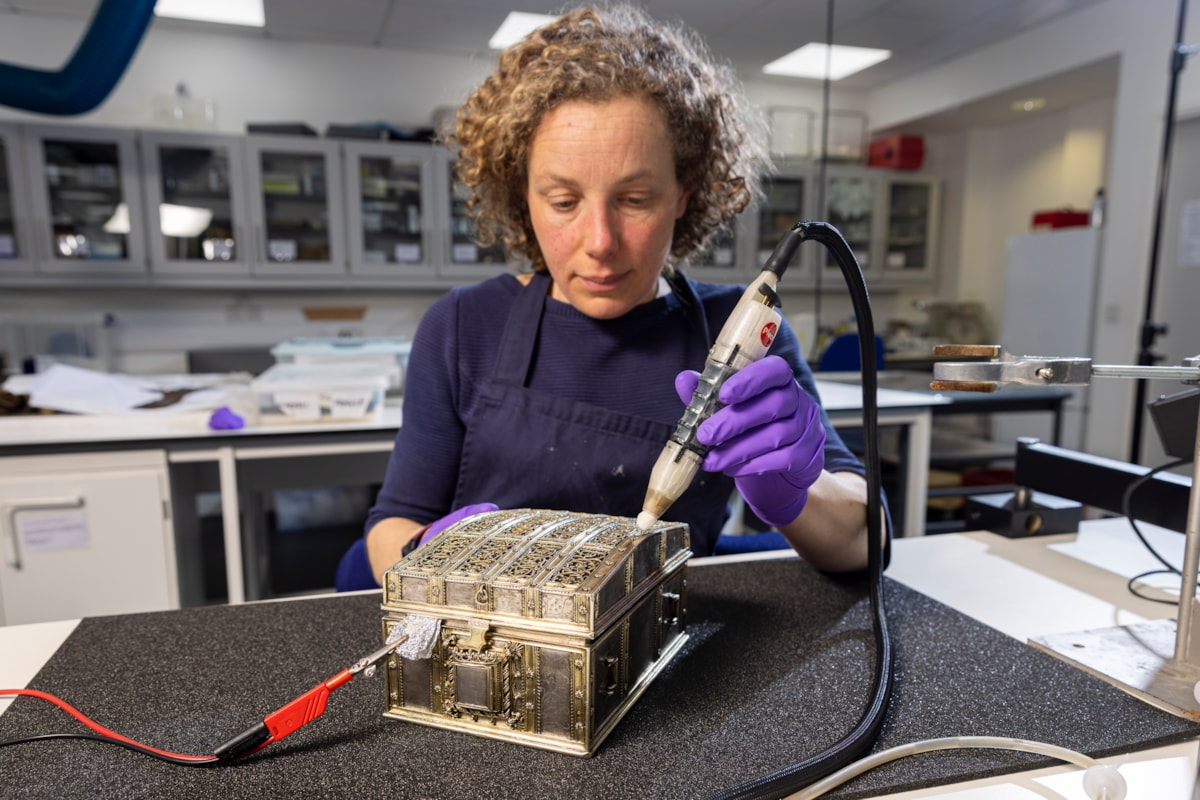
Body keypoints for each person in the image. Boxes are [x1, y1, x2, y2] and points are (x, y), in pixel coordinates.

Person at [335, 4, 876, 591]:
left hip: (667, 651)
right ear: (523, 196)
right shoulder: (464, 326)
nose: (600, 242)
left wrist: (799, 493)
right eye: (563, 202)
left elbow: (860, 541)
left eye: (635, 199)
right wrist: (424, 552)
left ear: (683, 195)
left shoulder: (742, 337)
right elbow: (390, 524)